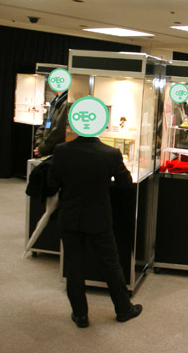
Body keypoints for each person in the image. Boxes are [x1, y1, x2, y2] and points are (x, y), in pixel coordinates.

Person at [48, 134, 142, 328]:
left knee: (73, 266)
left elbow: (52, 183)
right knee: (111, 264)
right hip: (99, 217)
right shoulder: (110, 153)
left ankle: (80, 314)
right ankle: (123, 309)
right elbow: (125, 182)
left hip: (70, 216)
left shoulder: (61, 151)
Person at [33, 91, 69, 157]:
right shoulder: (54, 102)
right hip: (48, 151)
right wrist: (39, 144)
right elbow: (43, 126)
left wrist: (43, 148)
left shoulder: (66, 103)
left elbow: (59, 131)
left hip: (56, 153)